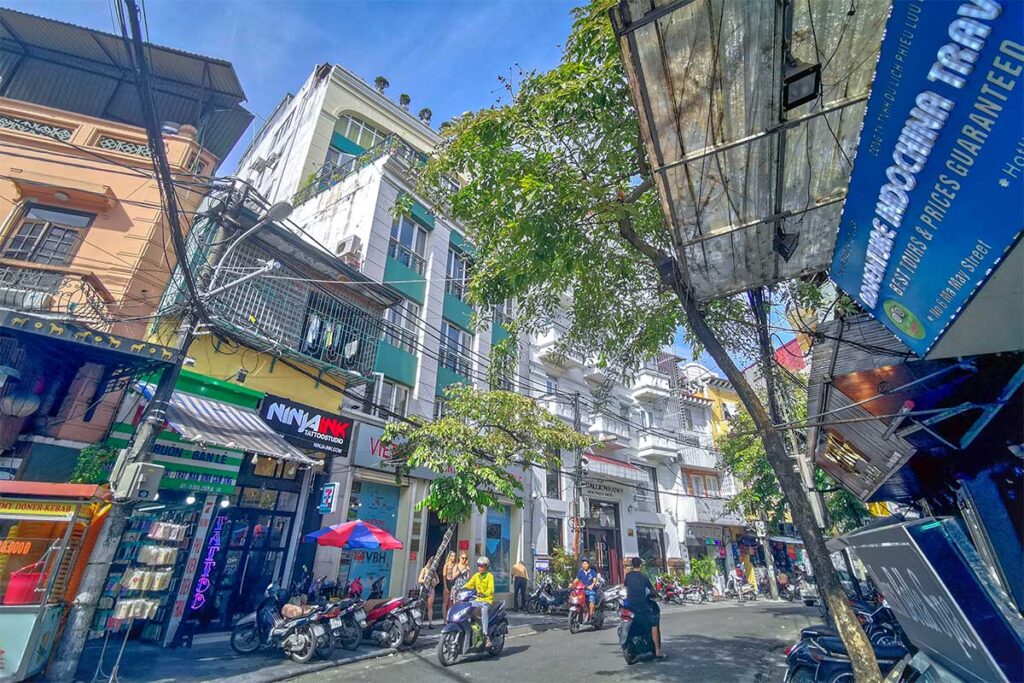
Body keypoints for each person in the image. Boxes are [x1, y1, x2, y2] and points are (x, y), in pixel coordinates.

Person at [625, 556, 664, 659]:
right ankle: (658, 651)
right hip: (642, 606)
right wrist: (656, 593)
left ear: (632, 565)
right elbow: (651, 590)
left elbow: (625, 586)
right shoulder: (643, 577)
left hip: (629, 606)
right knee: (653, 624)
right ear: (641, 565)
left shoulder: (628, 576)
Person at [463, 556, 495, 648]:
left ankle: (485, 635)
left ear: (486, 567)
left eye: (482, 566)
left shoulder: (490, 576)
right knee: (466, 606)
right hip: (477, 600)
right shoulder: (476, 576)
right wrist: (460, 589)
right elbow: (469, 585)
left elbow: (491, 589)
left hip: (487, 600)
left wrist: (484, 593)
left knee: (484, 610)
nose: (480, 567)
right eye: (478, 565)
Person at [417, 557, 439, 629]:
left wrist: (434, 582)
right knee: (423, 605)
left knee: (430, 606)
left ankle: (430, 623)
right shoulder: (424, 569)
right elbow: (419, 580)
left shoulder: (434, 571)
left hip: (431, 589)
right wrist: (426, 580)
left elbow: (438, 580)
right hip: (424, 588)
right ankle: (420, 622)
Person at [576, 558, 599, 622]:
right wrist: (572, 584)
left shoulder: (592, 572)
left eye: (586, 563)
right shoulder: (581, 572)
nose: (584, 565)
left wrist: (592, 585)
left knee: (591, 599)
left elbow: (595, 580)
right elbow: (576, 580)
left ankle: (591, 615)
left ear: (588, 564)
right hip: (583, 590)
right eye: (583, 564)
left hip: (591, 590)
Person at [442, 551, 457, 618]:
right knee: (445, 602)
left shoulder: (455, 564)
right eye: (452, 556)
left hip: (453, 583)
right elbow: (444, 576)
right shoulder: (446, 565)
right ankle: (444, 618)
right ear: (449, 557)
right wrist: (445, 587)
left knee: (451, 602)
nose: (453, 557)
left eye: (454, 556)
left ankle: (448, 616)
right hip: (447, 582)